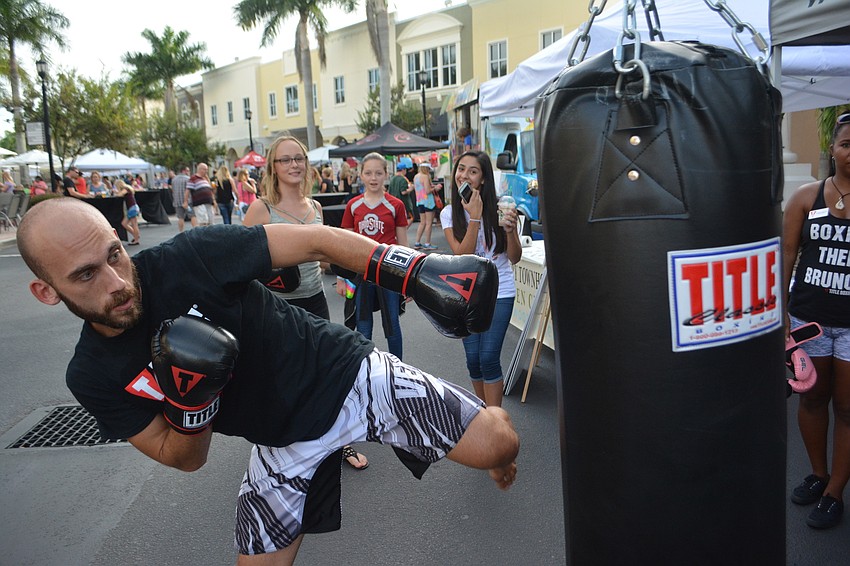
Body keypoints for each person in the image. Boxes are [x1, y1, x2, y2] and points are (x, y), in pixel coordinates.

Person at [17, 196, 517, 565]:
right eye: (86, 275)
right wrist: (192, 403)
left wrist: (411, 272)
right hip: (278, 440)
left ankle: (487, 423)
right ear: (46, 291)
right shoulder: (92, 374)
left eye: (114, 254)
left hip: (348, 373)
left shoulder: (191, 257)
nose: (118, 283)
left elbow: (318, 240)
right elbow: (182, 458)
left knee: (499, 446)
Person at [244, 136, 369, 471]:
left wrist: (349, 270)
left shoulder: (314, 207)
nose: (294, 165)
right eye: (285, 160)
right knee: (278, 378)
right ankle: (277, 447)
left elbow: (323, 258)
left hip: (315, 300)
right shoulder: (262, 209)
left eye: (298, 158)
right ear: (273, 166)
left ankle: (339, 445)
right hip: (275, 306)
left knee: (328, 373)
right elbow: (239, 259)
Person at [783, 112, 850, 530]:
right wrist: (778, 321)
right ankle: (818, 472)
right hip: (808, 322)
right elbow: (785, 258)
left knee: (847, 407)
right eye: (847, 143)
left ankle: (835, 490)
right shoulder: (806, 197)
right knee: (812, 398)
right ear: (833, 149)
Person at [441, 151, 522, 408]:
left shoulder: (503, 207)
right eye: (461, 169)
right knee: (473, 360)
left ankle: (496, 421)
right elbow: (462, 256)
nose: (464, 175)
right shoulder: (448, 213)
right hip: (466, 295)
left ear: (483, 179)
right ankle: (483, 414)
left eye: (472, 171)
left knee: (488, 358)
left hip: (500, 291)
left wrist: (510, 231)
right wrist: (473, 217)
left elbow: (515, 257)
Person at [341, 152, 409, 360]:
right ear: (360, 175)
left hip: (388, 272)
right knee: (363, 324)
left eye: (378, 173)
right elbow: (344, 245)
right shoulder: (353, 205)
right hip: (361, 271)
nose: (373, 178)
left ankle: (399, 369)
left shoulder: (396, 205)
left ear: (386, 175)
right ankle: (364, 367)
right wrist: (341, 278)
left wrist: (408, 280)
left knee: (392, 324)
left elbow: (404, 245)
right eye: (368, 173)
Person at [414, 163, 439, 250]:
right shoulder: (425, 176)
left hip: (420, 201)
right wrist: (436, 188)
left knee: (422, 222)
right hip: (428, 202)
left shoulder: (416, 176)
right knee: (429, 223)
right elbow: (428, 191)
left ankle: (417, 242)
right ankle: (427, 243)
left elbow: (421, 188)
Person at [114, 179, 141, 245]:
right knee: (124, 223)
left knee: (134, 224)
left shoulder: (125, 189)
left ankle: (136, 239)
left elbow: (120, 194)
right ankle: (136, 235)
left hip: (132, 208)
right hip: (133, 207)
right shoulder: (128, 188)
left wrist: (116, 192)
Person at [171, 166, 194, 232]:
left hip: (177, 201)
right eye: (188, 171)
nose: (189, 172)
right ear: (184, 171)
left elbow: (173, 190)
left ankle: (181, 232)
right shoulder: (188, 179)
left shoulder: (174, 179)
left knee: (180, 218)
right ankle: (195, 229)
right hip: (187, 201)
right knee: (192, 216)